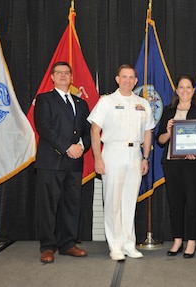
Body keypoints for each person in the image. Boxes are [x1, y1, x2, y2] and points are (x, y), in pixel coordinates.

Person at [87, 64, 155, 261]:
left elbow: (148, 131)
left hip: (135, 153)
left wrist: (145, 157)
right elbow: (94, 130)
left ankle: (129, 244)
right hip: (113, 152)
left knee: (129, 202)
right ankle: (115, 246)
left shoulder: (143, 103)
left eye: (131, 77)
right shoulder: (107, 102)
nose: (127, 80)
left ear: (135, 81)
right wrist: (98, 158)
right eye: (124, 77)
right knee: (113, 201)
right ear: (117, 79)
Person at [34, 61, 91, 263]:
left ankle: (68, 244)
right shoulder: (44, 99)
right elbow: (45, 127)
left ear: (71, 76)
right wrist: (68, 147)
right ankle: (48, 246)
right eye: (59, 73)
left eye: (67, 73)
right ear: (52, 77)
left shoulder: (81, 103)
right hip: (51, 162)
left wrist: (82, 147)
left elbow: (88, 131)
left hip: (74, 163)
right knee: (48, 206)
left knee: (72, 205)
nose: (63, 76)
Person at [156, 74, 196, 258]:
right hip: (173, 164)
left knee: (193, 202)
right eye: (181, 87)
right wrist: (169, 131)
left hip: (194, 164)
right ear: (176, 90)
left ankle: (191, 242)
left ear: (194, 90)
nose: (185, 90)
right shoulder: (168, 110)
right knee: (175, 204)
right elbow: (160, 140)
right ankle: (177, 239)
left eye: (188, 87)